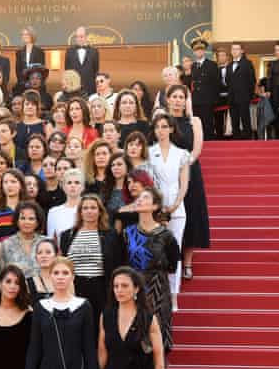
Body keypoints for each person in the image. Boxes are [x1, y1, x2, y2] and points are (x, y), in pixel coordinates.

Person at [122, 188, 180, 352]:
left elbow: (172, 265)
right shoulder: (127, 233)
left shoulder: (166, 235)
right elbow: (122, 262)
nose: (139, 200)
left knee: (158, 338)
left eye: (145, 197)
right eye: (138, 198)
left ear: (155, 206)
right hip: (133, 289)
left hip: (158, 290)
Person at [166, 85, 211, 280]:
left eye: (181, 97)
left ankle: (188, 263)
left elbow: (197, 149)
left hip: (190, 171)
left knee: (191, 214)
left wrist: (183, 165)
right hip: (166, 173)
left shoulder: (195, 121)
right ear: (168, 99)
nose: (178, 100)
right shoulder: (162, 121)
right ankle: (170, 259)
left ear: (186, 101)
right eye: (174, 97)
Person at [59, 195, 122, 328]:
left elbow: (117, 264)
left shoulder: (111, 235)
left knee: (100, 327)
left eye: (93, 208)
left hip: (100, 288)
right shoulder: (67, 236)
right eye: (85, 208)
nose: (89, 211)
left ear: (100, 211)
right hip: (75, 288)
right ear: (80, 212)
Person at [149, 114, 190, 303]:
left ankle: (173, 295)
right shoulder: (149, 152)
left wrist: (174, 205)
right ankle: (157, 293)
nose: (161, 130)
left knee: (175, 251)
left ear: (172, 129)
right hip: (154, 209)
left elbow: (184, 184)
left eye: (164, 126)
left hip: (177, 209)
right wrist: (157, 206)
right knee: (156, 251)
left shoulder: (181, 154)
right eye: (157, 127)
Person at [0, 201, 47, 279]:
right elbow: (1, 274)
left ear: (38, 222)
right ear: (17, 221)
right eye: (23, 218)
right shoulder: (7, 244)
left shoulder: (46, 243)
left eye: (31, 219)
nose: (26, 222)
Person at [189, 39, 220, 140]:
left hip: (207, 100)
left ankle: (209, 143)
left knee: (208, 124)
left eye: (201, 49)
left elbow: (216, 83)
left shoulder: (212, 65)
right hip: (196, 100)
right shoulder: (193, 66)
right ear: (194, 52)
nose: (199, 52)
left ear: (204, 51)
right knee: (197, 124)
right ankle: (198, 142)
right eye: (196, 50)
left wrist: (214, 100)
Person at [226, 43, 257, 139]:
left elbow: (252, 81)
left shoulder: (247, 63)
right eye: (233, 49)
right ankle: (236, 141)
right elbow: (228, 81)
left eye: (237, 49)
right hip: (232, 98)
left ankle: (248, 141)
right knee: (234, 121)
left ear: (242, 51)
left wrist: (249, 96)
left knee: (245, 121)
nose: (234, 51)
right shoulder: (229, 65)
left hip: (244, 97)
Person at [46, 168, 84, 242]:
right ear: (63, 187)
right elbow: (51, 241)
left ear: (83, 187)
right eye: (69, 183)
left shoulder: (89, 209)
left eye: (77, 182)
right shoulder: (54, 212)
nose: (73, 185)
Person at [64, 27, 100, 96]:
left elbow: (96, 70)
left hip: (90, 89)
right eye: (77, 37)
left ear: (86, 37)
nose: (79, 39)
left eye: (81, 36)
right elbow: (67, 71)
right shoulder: (69, 51)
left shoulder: (94, 51)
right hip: (73, 89)